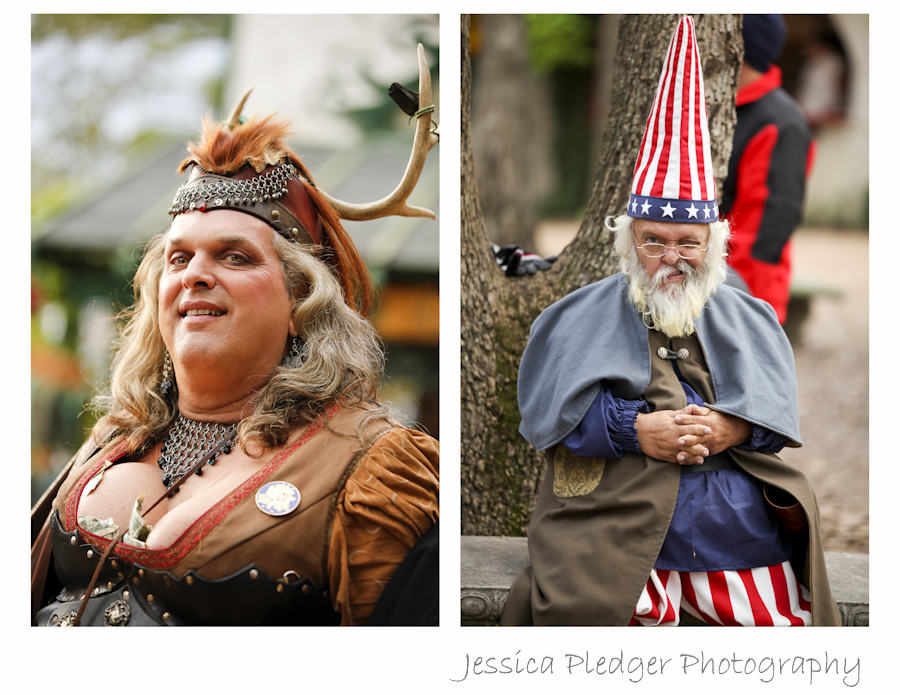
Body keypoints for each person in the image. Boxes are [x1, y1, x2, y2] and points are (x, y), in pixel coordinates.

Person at [31, 72, 440, 626]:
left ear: (301, 298)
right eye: (178, 259)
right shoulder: (114, 438)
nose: (195, 275)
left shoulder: (374, 467)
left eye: (235, 257)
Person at [501, 16, 840, 626]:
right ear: (628, 241)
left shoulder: (747, 313)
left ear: (712, 244)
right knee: (609, 628)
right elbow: (553, 418)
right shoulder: (577, 315)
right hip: (615, 514)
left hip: (733, 523)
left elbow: (773, 409)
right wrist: (639, 431)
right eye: (654, 241)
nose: (672, 258)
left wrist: (731, 429)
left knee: (776, 631)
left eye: (688, 242)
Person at [721, 14, 814, 324]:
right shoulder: (726, 108)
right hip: (709, 283)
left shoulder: (780, 121)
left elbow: (764, 230)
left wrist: (737, 304)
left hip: (744, 294)